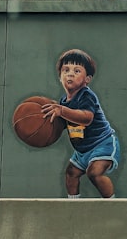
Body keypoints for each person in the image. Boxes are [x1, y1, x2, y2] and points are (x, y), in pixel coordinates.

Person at [41, 49, 119, 199]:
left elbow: (86, 118)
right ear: (60, 77)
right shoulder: (63, 101)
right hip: (83, 149)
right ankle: (74, 206)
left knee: (94, 173)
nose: (70, 74)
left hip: (103, 143)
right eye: (66, 70)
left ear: (87, 79)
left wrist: (62, 111)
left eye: (77, 71)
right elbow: (64, 124)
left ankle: (113, 204)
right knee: (71, 173)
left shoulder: (87, 95)